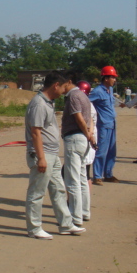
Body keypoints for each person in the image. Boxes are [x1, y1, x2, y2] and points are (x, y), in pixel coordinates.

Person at [25, 71, 86, 240]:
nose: (65, 91)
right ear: (56, 85)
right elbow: (35, 132)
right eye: (64, 87)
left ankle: (66, 224)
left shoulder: (48, 102)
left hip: (52, 154)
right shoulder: (39, 104)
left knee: (58, 189)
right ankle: (34, 228)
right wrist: (41, 158)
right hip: (43, 154)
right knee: (37, 192)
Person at [61, 74, 96, 226]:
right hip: (82, 139)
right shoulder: (83, 96)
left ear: (69, 81)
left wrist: (87, 133)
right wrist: (88, 135)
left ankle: (75, 217)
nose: (61, 87)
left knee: (72, 179)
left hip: (75, 138)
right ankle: (84, 212)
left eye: (63, 84)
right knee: (82, 178)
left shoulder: (73, 96)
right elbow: (90, 119)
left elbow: (79, 117)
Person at [89, 65, 119, 184]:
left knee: (112, 151)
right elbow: (86, 102)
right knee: (101, 151)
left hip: (112, 124)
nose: (114, 80)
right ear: (106, 78)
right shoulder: (97, 92)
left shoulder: (109, 90)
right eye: (113, 77)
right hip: (103, 125)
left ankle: (108, 174)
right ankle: (97, 176)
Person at [77, 81, 97, 191]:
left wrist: (89, 135)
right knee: (85, 173)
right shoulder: (88, 104)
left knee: (84, 174)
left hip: (86, 140)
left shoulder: (85, 105)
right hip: (89, 139)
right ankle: (83, 199)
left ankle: (81, 199)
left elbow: (87, 124)